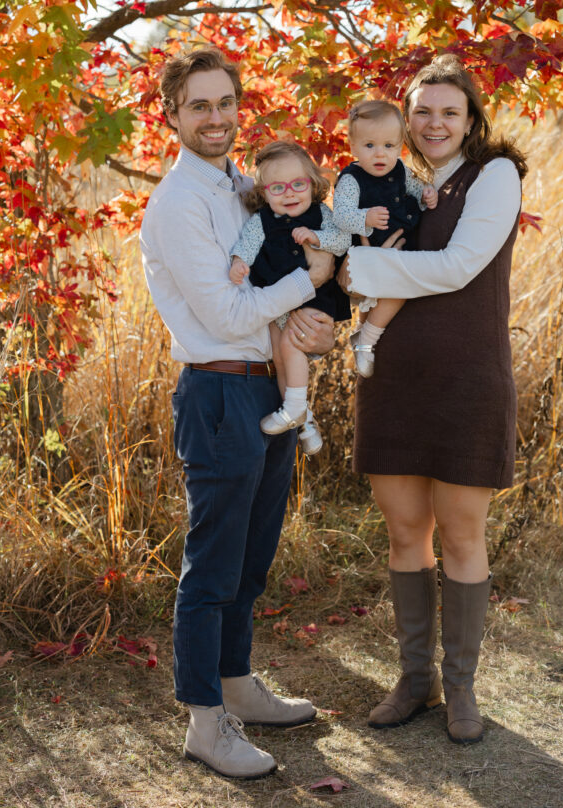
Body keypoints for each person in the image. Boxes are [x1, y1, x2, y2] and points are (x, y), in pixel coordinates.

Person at [140, 46, 336, 779]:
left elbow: (277, 283)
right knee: (213, 567)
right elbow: (224, 317)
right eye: (199, 105)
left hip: (263, 386)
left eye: (225, 103)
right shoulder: (177, 201)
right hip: (218, 392)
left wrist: (313, 318)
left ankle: (237, 684)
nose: (215, 117)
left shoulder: (243, 186)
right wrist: (308, 283)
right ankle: (204, 722)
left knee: (251, 558)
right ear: (173, 114)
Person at [339, 54, 527, 743]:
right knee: (402, 532)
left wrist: (351, 269)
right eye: (422, 111)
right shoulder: (400, 183)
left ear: (471, 118)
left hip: (467, 378)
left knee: (461, 532)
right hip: (394, 378)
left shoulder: (495, 177)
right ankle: (414, 681)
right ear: (405, 119)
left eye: (448, 110)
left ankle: (463, 688)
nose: (434, 122)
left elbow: (456, 267)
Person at [230, 141, 350, 454]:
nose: (289, 193)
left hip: (314, 297)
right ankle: (303, 419)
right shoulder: (261, 221)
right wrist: (239, 262)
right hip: (278, 299)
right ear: (263, 193)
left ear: (313, 184)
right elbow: (248, 243)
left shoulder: (322, 214)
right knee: (278, 353)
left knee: (289, 344)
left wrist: (316, 237)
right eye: (277, 187)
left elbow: (341, 241)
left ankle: (296, 407)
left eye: (298, 184)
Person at [332, 99, 437, 377]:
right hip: (367, 251)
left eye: (389, 146)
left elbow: (417, 193)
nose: (380, 154)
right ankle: (366, 341)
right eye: (369, 146)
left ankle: (360, 335)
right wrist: (364, 218)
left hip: (397, 248)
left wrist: (427, 195)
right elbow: (340, 216)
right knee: (395, 290)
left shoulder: (401, 170)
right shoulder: (351, 179)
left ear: (400, 145)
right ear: (352, 146)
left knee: (384, 295)